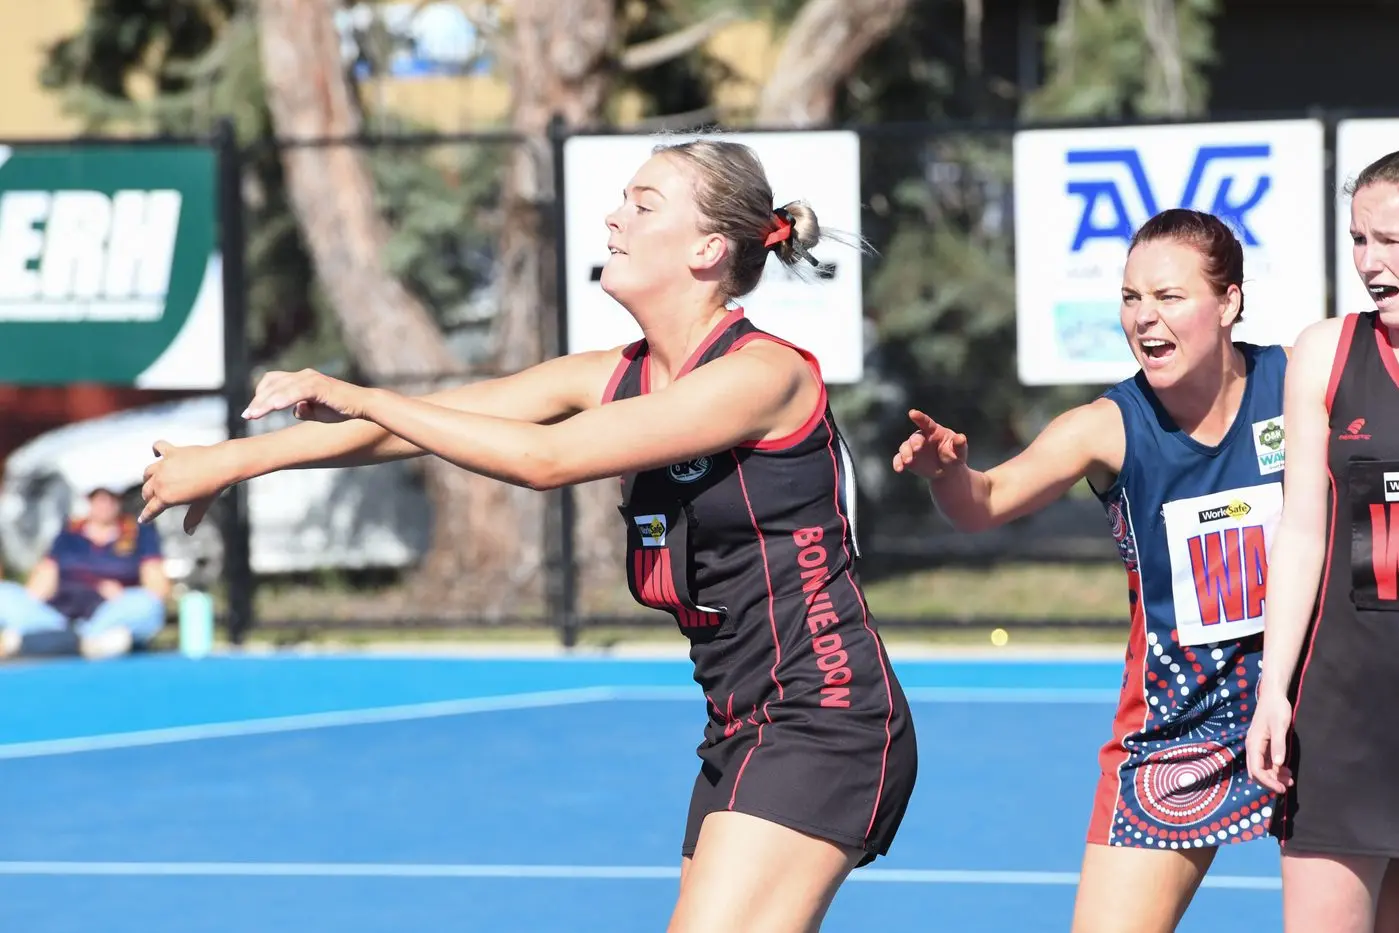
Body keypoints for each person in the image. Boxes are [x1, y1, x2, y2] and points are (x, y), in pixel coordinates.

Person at [139, 138, 918, 932]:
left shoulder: (762, 375)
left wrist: (363, 394)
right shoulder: (612, 372)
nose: (613, 217)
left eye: (643, 205)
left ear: (708, 249)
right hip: (741, 718)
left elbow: (544, 459)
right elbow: (424, 429)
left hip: (823, 712)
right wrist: (233, 461)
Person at [893, 208, 1285, 932]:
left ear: (1229, 300)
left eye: (1168, 297)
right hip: (1179, 725)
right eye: (1131, 298)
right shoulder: (1105, 425)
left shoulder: (1297, 386)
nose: (1143, 317)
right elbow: (984, 503)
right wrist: (946, 475)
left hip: (1312, 705)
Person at [1246, 149, 1399, 933]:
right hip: (1342, 707)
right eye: (1358, 240)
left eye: (1392, 242)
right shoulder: (1324, 353)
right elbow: (1301, 531)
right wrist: (1272, 690)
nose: (1371, 264)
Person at [0, 483, 170, 660]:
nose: (105, 504)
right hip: (58, 618)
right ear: (89, 501)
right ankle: (79, 643)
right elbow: (39, 587)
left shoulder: (139, 532)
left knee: (147, 605)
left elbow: (157, 589)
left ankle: (45, 641)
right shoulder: (69, 534)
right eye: (99, 499)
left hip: (109, 615)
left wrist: (122, 595)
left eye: (110, 498)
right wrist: (27, 608)